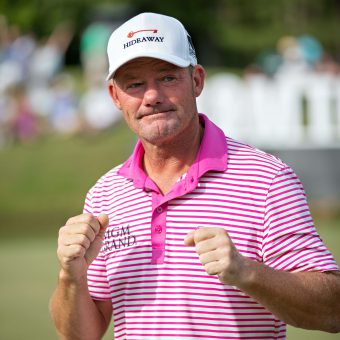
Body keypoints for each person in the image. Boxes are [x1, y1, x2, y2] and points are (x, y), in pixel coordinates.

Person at [49, 12, 340, 340]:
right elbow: (80, 335)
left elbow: (333, 310)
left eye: (168, 78)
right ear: (115, 97)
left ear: (197, 80)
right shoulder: (105, 194)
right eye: (134, 84)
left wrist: (247, 273)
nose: (152, 96)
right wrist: (70, 277)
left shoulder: (267, 179)